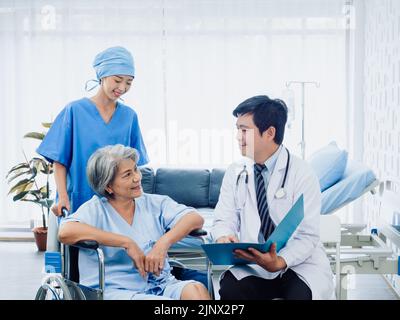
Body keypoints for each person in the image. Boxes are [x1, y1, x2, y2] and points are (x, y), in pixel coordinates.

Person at [211, 95, 334, 300]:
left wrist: (280, 260)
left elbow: (308, 235)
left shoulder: (302, 173)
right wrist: (224, 236)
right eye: (237, 129)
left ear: (269, 133)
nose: (238, 137)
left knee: (300, 296)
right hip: (254, 264)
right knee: (231, 290)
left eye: (244, 130)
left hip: (299, 264)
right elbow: (224, 218)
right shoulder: (235, 173)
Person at [58, 144, 210, 300]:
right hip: (115, 290)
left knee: (196, 290)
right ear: (108, 186)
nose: (137, 177)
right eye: (127, 174)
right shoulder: (96, 209)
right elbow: (65, 232)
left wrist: (163, 243)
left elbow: (194, 218)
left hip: (160, 285)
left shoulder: (154, 203)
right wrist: (126, 242)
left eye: (136, 169)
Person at [37, 46, 149, 216]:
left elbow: (135, 165)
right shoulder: (74, 111)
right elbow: (59, 160)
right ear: (102, 75)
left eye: (129, 82)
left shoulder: (129, 116)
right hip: (80, 199)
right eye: (117, 80)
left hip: (117, 202)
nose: (122, 87)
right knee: (80, 241)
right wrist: (63, 197)